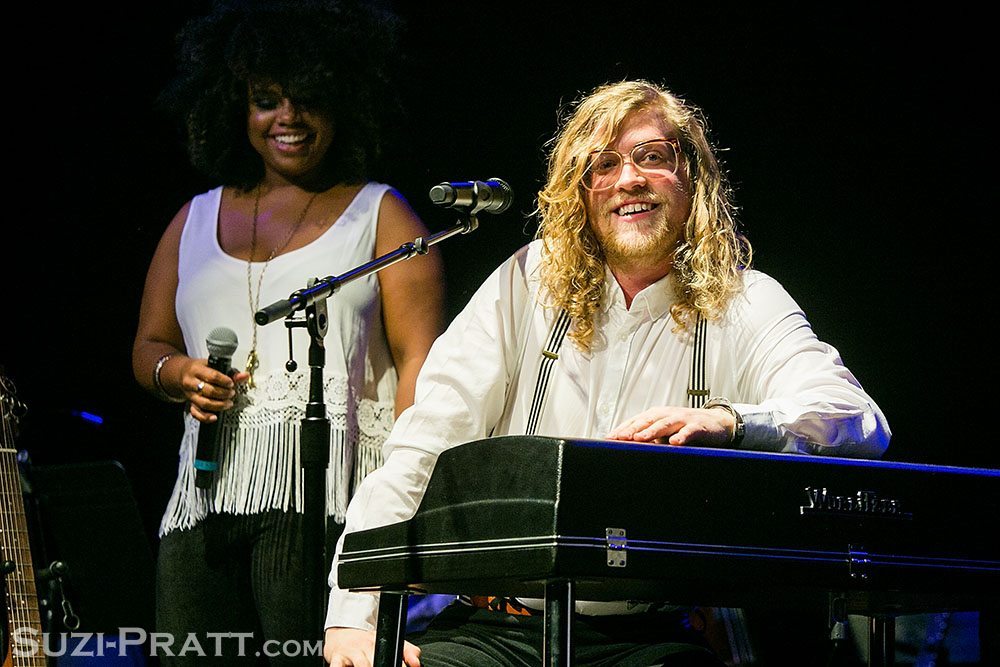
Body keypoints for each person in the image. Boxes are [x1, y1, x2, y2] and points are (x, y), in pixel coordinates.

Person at [322, 79, 891, 666]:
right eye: (603, 164)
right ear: (580, 191)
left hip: (651, 636)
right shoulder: (527, 282)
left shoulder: (744, 299)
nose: (629, 179)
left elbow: (856, 419)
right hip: (496, 628)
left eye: (652, 157)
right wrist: (351, 618)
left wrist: (733, 422)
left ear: (692, 176)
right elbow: (422, 446)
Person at [131, 0, 445, 663]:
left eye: (307, 98)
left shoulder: (382, 216)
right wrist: (177, 374)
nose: (288, 118)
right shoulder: (194, 219)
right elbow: (149, 345)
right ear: (234, 107)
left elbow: (423, 364)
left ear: (345, 101)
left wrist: (401, 500)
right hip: (204, 496)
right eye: (266, 99)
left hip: (323, 497)